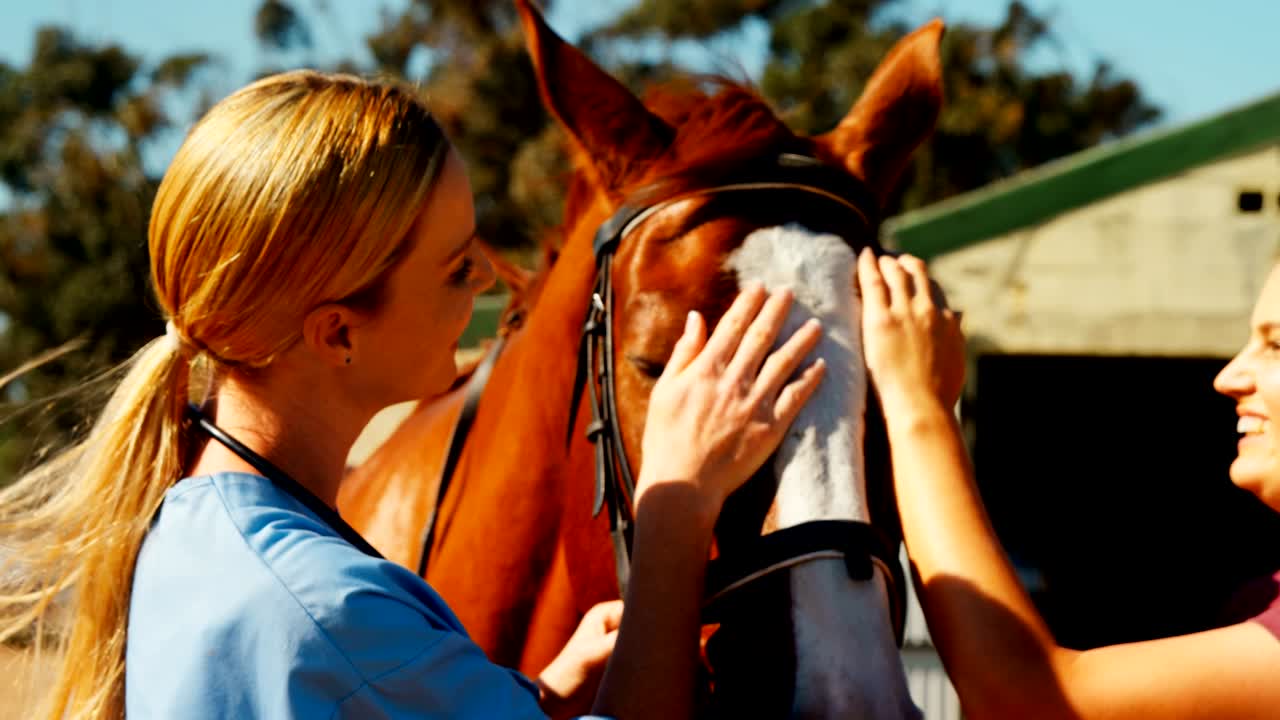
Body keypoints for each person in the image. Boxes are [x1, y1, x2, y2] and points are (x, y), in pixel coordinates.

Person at [0, 70, 827, 720]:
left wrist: (528, 701)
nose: (487, 286)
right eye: (456, 269)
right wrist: (677, 506)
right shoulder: (328, 610)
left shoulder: (192, 527)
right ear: (338, 334)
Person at [856, 247, 1280, 719]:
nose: (1229, 377)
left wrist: (919, 405)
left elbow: (1028, 702)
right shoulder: (1261, 597)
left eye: (1276, 346)